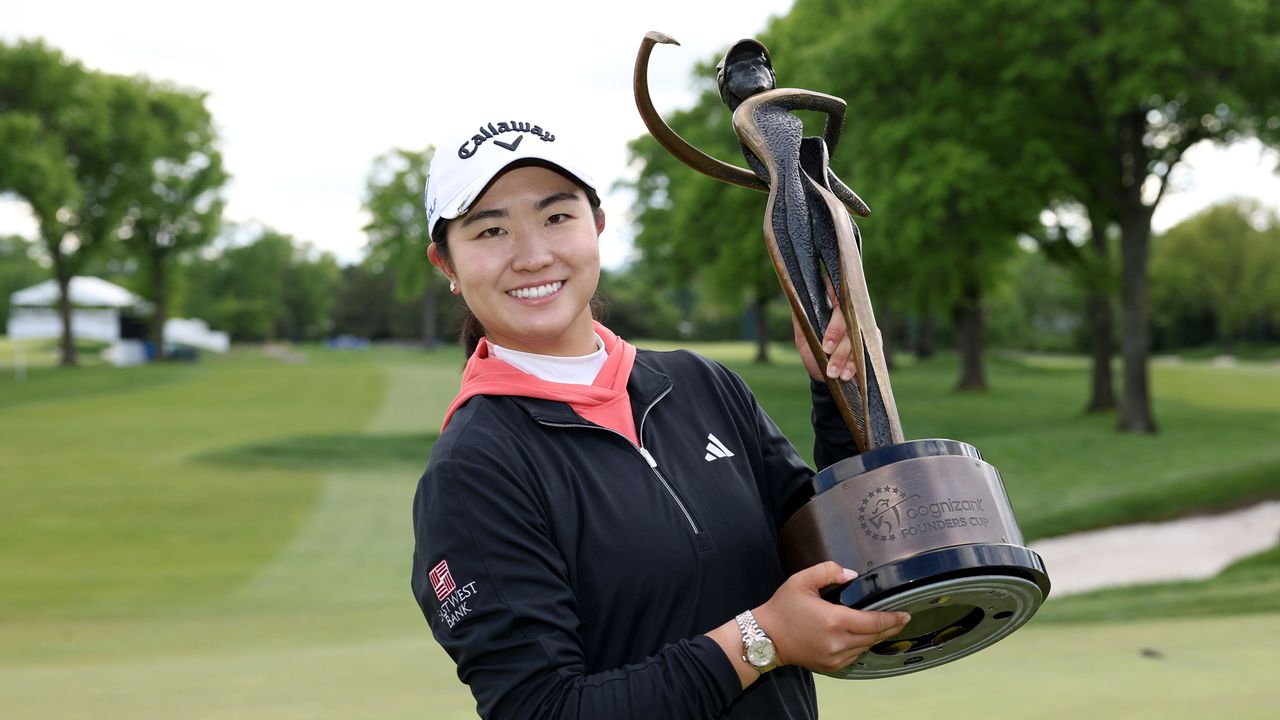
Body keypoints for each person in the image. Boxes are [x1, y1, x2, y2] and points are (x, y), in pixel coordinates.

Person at [409, 110, 910, 720]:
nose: (533, 255)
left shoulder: (701, 384)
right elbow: (540, 710)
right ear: (447, 266)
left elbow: (839, 560)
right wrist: (761, 642)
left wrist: (841, 385)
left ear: (596, 225)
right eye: (490, 232)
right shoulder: (474, 470)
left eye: (557, 216)